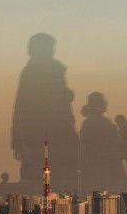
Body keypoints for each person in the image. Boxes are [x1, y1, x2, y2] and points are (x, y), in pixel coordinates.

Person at [10, 33, 80, 189]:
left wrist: (17, 139)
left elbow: (20, 107)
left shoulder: (32, 71)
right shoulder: (50, 70)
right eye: (50, 47)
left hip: (38, 135)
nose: (53, 51)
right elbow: (25, 106)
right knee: (54, 177)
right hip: (53, 134)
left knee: (38, 176)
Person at [80, 92, 121, 191]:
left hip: (96, 166)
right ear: (97, 104)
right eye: (103, 101)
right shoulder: (102, 123)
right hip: (102, 166)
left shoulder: (88, 123)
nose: (106, 103)